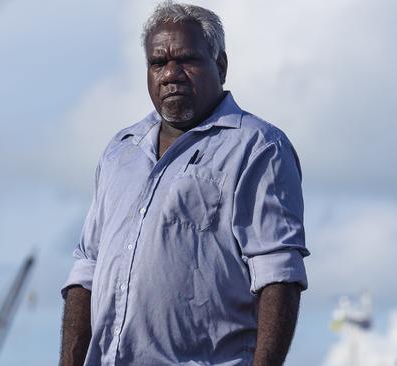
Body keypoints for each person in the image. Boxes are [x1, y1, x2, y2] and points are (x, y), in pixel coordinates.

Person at [59, 2, 309, 365]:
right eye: (158, 63)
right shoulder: (120, 152)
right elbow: (87, 271)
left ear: (220, 66)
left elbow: (279, 274)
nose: (170, 74)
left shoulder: (257, 147)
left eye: (186, 60)